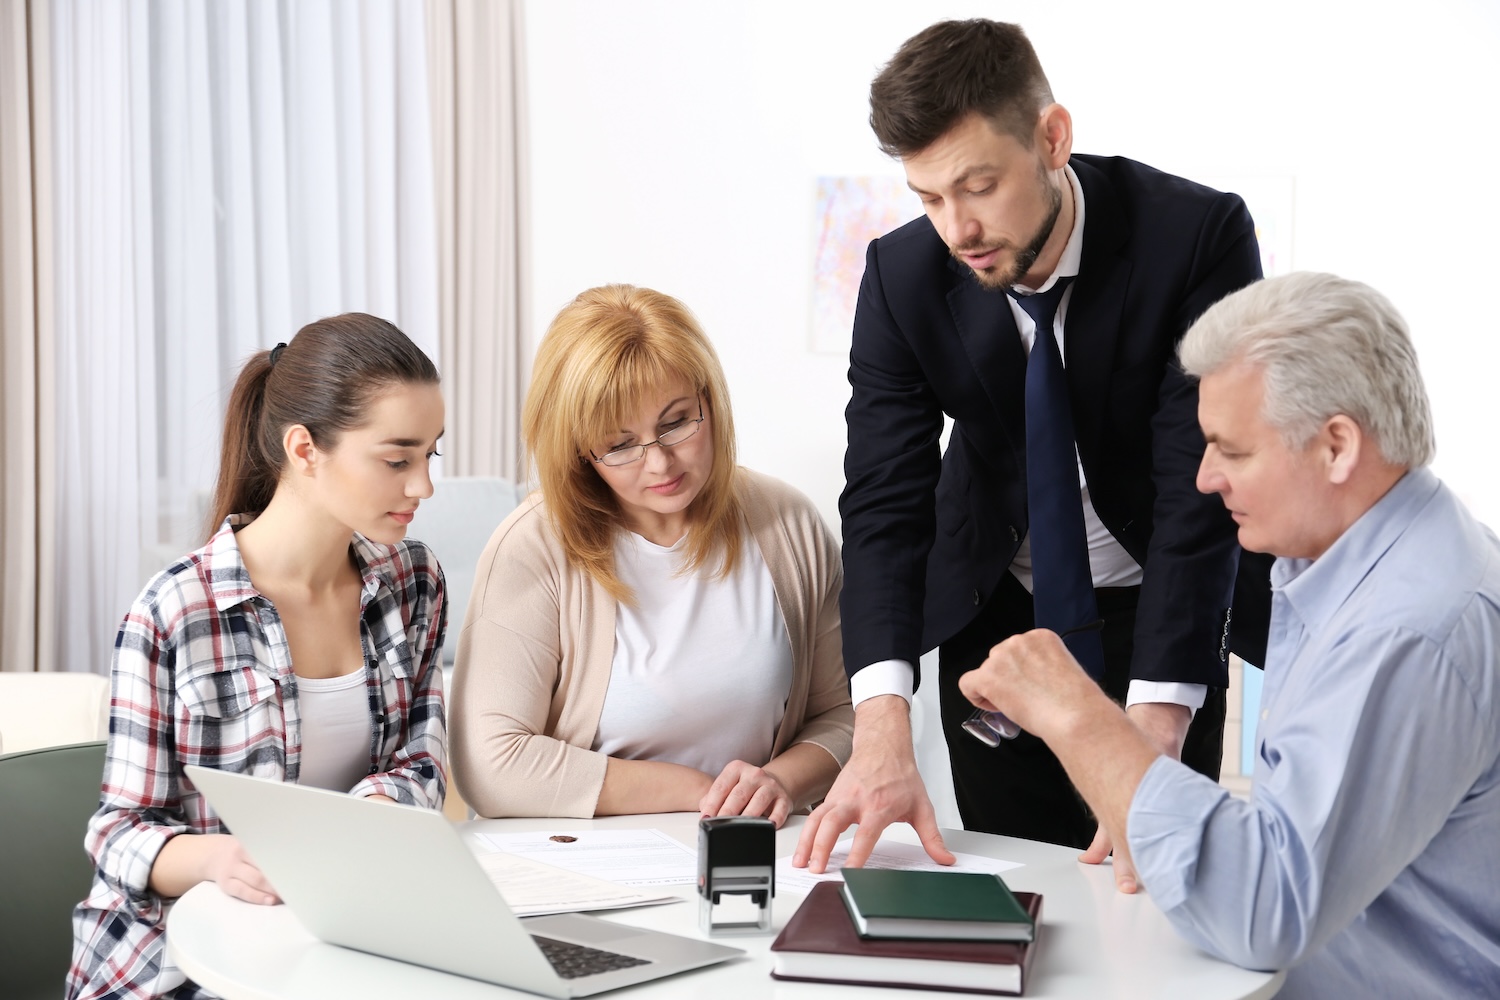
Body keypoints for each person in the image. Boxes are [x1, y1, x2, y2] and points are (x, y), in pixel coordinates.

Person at [795, 18, 1270, 880]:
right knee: (1017, 887)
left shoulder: (1195, 238)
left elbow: (1193, 490)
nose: (958, 229)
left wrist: (1156, 726)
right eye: (929, 198)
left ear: (1053, 138)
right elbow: (884, 500)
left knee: (1157, 884)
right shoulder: (903, 276)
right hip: (997, 615)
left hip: (1155, 610)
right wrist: (880, 727)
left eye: (978, 186)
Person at [958, 272, 1500, 995]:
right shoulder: (1358, 559)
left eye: (1231, 451)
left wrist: (1076, 713)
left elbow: (1268, 908)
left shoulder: (1408, 630)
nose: (1205, 478)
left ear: (1337, 446)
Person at [67, 314, 448, 1000]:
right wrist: (219, 858)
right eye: (398, 460)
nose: (423, 486)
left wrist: (364, 816)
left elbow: (421, 761)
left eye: (431, 455)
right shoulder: (174, 612)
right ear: (305, 449)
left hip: (335, 943)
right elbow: (119, 833)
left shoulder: (413, 582)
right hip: (174, 963)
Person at [449, 284, 852, 826]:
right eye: (619, 445)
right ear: (579, 451)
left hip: (753, 844)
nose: (660, 463)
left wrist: (779, 781)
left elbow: (846, 713)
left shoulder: (788, 524)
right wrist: (701, 792)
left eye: (676, 423)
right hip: (584, 855)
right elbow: (489, 766)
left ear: (710, 402)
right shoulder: (532, 546)